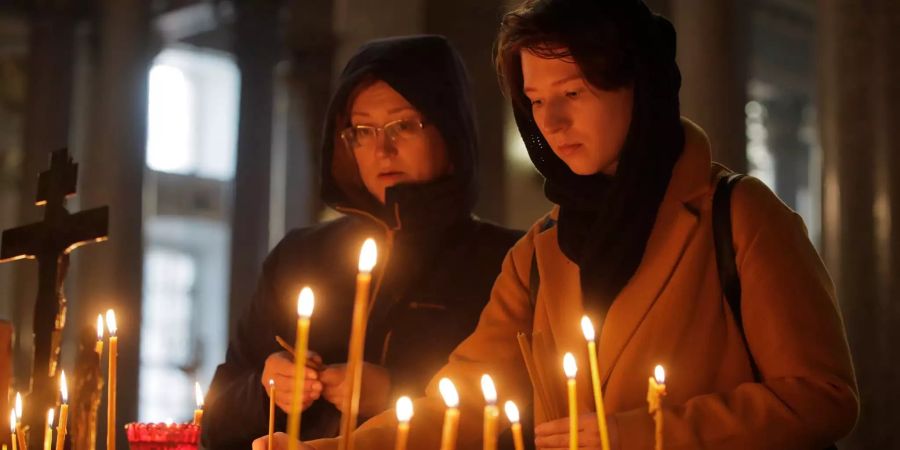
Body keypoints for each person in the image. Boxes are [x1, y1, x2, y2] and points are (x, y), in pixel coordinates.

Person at [259, 1, 859, 449]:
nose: (553, 120)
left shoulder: (739, 214)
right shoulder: (542, 249)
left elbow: (822, 397)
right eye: (537, 100)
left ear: (637, 87)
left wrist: (638, 436)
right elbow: (462, 399)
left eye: (573, 90)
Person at [203, 35, 523, 450]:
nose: (381, 149)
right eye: (362, 130)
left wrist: (394, 391)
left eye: (403, 125)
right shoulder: (299, 257)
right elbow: (213, 424)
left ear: (452, 132)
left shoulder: (504, 261)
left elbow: (523, 412)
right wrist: (268, 388)